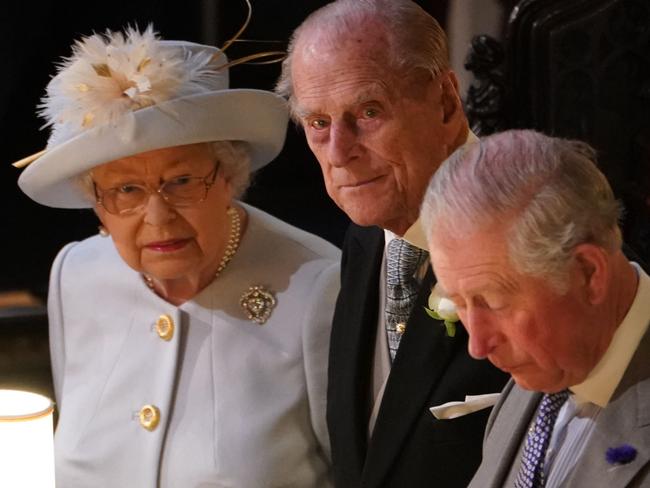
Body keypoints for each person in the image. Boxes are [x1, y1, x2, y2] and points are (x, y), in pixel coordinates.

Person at [16, 26, 339, 487]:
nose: (158, 216)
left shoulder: (319, 287)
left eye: (182, 181)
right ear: (98, 206)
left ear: (229, 176)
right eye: (126, 190)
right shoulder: (76, 276)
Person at [275, 1, 509, 486]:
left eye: (368, 111)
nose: (340, 153)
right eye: (318, 124)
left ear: (445, 103)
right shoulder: (364, 235)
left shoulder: (531, 229)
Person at [422, 129, 650, 487]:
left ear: (588, 274)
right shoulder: (542, 373)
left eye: (495, 303)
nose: (477, 346)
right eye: (461, 304)